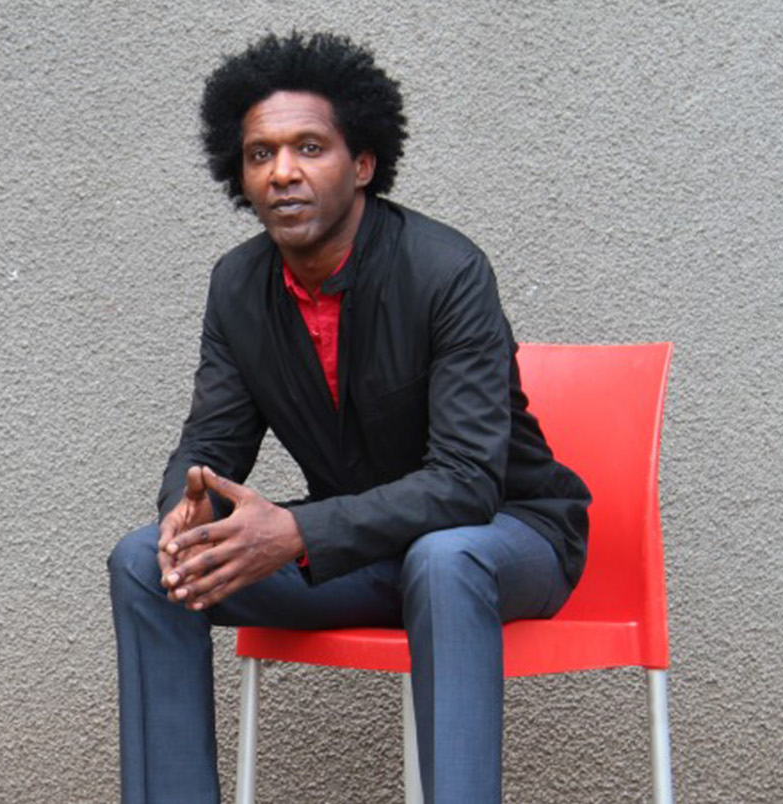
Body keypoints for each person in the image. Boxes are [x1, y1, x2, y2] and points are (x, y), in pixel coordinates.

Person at [107, 31, 591, 804]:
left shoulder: (445, 271)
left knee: (446, 557)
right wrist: (185, 509)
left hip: (506, 536)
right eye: (260, 154)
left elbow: (467, 484)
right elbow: (211, 439)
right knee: (146, 561)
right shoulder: (238, 286)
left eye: (309, 147)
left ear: (362, 164)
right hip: (365, 553)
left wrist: (298, 532)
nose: (283, 171)